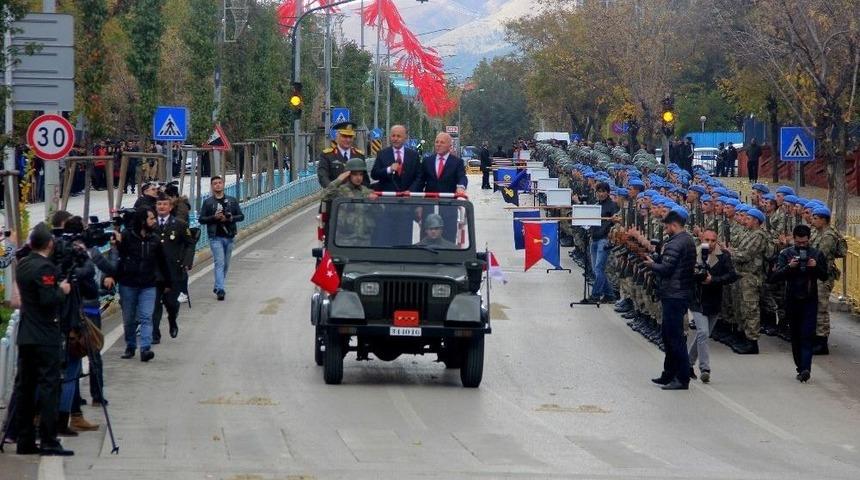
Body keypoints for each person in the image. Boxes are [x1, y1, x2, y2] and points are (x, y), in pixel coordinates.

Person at [13, 223, 74, 456]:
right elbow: (49, 299)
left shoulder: (24, 265)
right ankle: (49, 439)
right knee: (50, 387)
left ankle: (24, 439)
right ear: (49, 244)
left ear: (30, 244)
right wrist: (64, 289)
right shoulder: (44, 268)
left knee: (26, 387)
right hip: (45, 335)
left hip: (26, 334)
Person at [643, 207, 696, 391]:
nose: (665, 230)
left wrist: (652, 264)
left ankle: (681, 378)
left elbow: (666, 269)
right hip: (678, 292)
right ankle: (669, 373)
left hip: (675, 294)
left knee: (675, 338)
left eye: (667, 227)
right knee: (668, 335)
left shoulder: (676, 243)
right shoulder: (686, 240)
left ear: (674, 225)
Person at [770, 224, 828, 382]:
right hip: (792, 299)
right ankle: (800, 366)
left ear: (809, 239)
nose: (802, 246)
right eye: (798, 243)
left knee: (807, 335)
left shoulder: (816, 254)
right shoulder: (786, 253)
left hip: (810, 299)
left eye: (804, 243)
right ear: (793, 239)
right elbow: (775, 277)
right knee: (795, 335)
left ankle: (806, 368)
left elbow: (825, 276)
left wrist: (815, 267)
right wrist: (790, 267)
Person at [111, 208, 164, 361]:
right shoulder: (127, 236)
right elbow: (119, 257)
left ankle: (145, 348)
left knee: (146, 317)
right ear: (142, 222)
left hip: (148, 285)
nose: (154, 221)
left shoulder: (155, 239)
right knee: (129, 319)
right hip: (128, 284)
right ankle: (131, 346)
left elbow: (162, 261)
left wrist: (168, 282)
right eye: (151, 219)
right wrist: (117, 244)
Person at [688, 229, 737, 384]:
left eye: (712, 240)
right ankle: (705, 368)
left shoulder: (723, 256)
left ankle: (687, 363)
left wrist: (713, 279)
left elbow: (731, 275)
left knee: (704, 335)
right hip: (697, 299)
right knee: (702, 332)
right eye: (706, 240)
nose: (709, 244)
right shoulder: (693, 254)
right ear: (701, 239)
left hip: (714, 300)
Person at [152, 194, 195, 343]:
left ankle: (172, 321)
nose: (162, 207)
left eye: (164, 204)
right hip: (155, 272)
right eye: (159, 204)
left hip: (173, 272)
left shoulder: (180, 224)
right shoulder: (151, 226)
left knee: (171, 303)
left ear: (170, 207)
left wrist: (187, 261)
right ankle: (155, 333)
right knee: (154, 304)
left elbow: (190, 243)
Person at [411, 132, 468, 241]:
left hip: (448, 207)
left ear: (449, 145)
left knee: (448, 238)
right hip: (429, 207)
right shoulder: (428, 161)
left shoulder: (457, 162)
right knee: (426, 239)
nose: (438, 144)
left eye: (442, 142)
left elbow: (462, 177)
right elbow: (420, 182)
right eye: (437, 142)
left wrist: (461, 187)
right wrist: (416, 203)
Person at [199, 176, 244, 301]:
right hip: (215, 237)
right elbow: (201, 219)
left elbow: (241, 216)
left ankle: (218, 285)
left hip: (229, 236)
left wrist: (230, 218)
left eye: (219, 183)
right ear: (212, 186)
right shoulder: (208, 202)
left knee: (226, 264)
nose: (218, 185)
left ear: (223, 184)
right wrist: (214, 218)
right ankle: (220, 289)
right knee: (220, 262)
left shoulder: (232, 201)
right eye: (215, 183)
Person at [809, 206, 844, 355]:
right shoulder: (819, 233)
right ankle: (817, 338)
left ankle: (822, 342)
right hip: (817, 274)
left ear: (824, 220)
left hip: (823, 276)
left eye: (816, 218)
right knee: (816, 306)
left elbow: (820, 255)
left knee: (821, 308)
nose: (813, 220)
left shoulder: (828, 235)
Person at [588, 181, 620, 303]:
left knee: (598, 268)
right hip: (594, 238)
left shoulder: (612, 206)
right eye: (599, 191)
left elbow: (615, 223)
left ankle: (595, 294)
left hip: (604, 239)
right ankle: (609, 294)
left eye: (603, 191)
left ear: (608, 193)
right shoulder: (596, 205)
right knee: (595, 268)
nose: (601, 194)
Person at [371, 125, 420, 193]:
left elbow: (419, 177)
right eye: (393, 136)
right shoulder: (382, 154)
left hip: (408, 198)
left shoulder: (413, 155)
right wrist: (389, 169)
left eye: (398, 136)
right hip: (388, 198)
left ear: (405, 137)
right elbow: (374, 175)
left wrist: (410, 191)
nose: (395, 139)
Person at [318, 122, 366, 188]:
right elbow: (323, 177)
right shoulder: (327, 155)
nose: (348, 140)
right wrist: (331, 189)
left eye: (350, 137)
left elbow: (365, 180)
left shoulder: (359, 155)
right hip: (334, 195)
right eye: (344, 136)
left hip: (355, 196)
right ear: (337, 136)